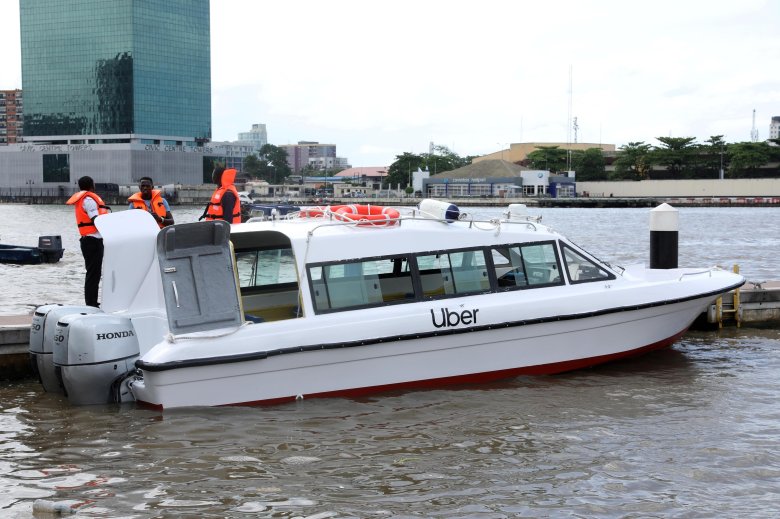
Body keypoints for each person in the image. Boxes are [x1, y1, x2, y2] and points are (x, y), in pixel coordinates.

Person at [65, 176, 110, 307]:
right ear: (92, 185)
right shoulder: (89, 199)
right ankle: (91, 303)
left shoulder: (84, 198)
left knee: (93, 273)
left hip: (90, 240)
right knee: (93, 273)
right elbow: (95, 218)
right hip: (92, 241)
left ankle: (92, 302)